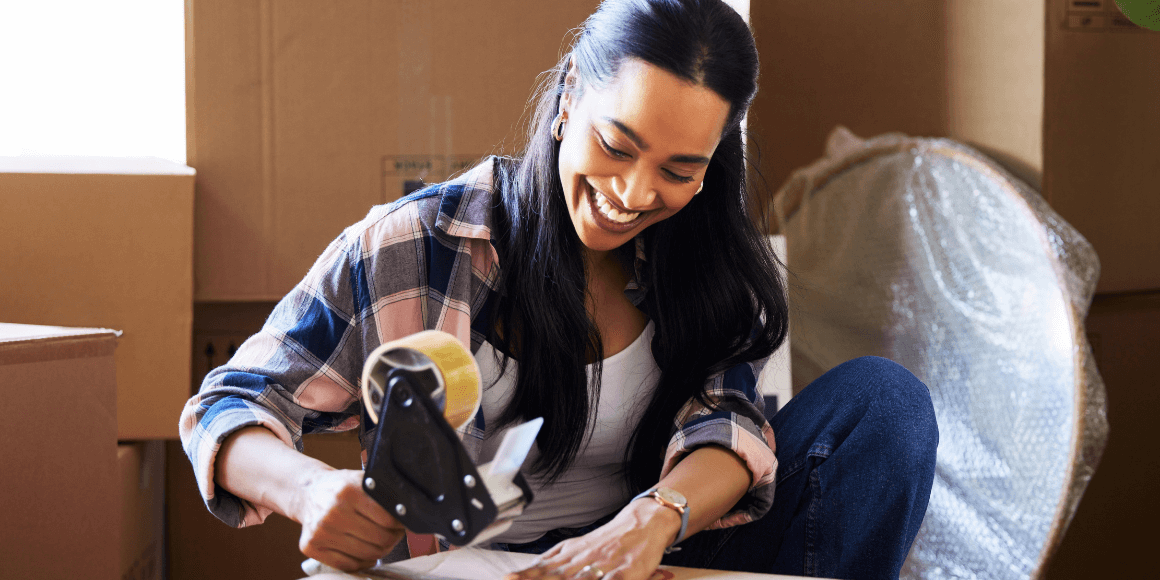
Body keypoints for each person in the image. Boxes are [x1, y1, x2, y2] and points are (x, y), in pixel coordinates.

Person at [178, 0, 938, 578]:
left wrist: (651, 521)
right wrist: (309, 490)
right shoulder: (416, 245)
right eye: (617, 146)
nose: (635, 193)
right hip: (468, 565)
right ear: (570, 96)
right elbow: (230, 403)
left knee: (886, 404)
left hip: (659, 558)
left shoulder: (702, 265)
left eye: (680, 171)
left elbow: (727, 425)